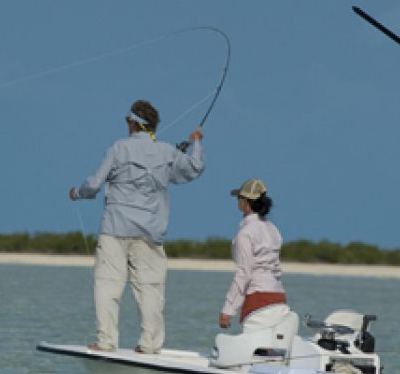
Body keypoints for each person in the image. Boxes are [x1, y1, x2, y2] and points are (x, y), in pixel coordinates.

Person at [69, 99, 204, 353]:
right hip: (150, 233)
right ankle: (149, 345)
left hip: (115, 229)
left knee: (107, 284)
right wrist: (196, 142)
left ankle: (106, 341)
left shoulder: (118, 148)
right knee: (150, 289)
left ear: (132, 123)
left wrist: (76, 193)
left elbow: (95, 184)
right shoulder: (167, 152)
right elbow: (194, 168)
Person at [219, 179, 290, 333]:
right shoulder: (273, 230)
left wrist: (228, 309)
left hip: (258, 299)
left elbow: (244, 273)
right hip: (280, 298)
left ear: (245, 202)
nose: (238, 202)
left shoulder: (245, 233)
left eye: (239, 199)